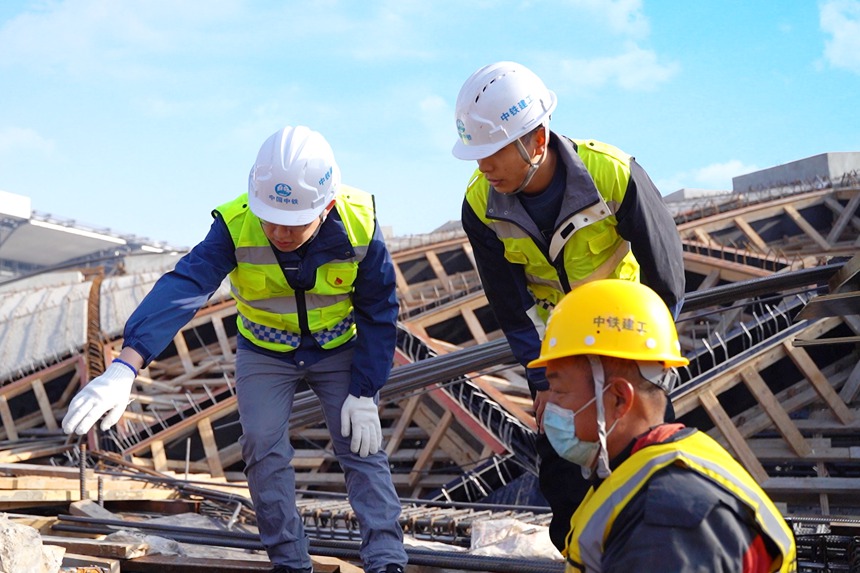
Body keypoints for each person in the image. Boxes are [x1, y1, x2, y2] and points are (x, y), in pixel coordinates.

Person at [61, 126, 408, 573]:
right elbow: (185, 285)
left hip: (337, 346)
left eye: (294, 222)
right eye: (271, 219)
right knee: (263, 446)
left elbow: (380, 309)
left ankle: (386, 560)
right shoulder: (235, 223)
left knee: (361, 446)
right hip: (265, 348)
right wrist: (127, 365)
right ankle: (290, 563)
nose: (280, 232)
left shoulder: (361, 221)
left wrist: (365, 390)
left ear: (327, 207)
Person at [451, 60, 686, 549]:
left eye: (493, 152)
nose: (483, 166)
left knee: (648, 473)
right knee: (566, 490)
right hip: (559, 352)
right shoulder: (480, 206)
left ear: (536, 140)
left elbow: (665, 275)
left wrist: (649, 363)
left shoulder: (613, 175)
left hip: (626, 341)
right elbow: (510, 306)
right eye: (477, 154)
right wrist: (541, 377)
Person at [528, 279, 797, 572]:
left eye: (559, 391)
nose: (548, 407)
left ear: (618, 398)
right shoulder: (658, 467)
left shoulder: (666, 521)